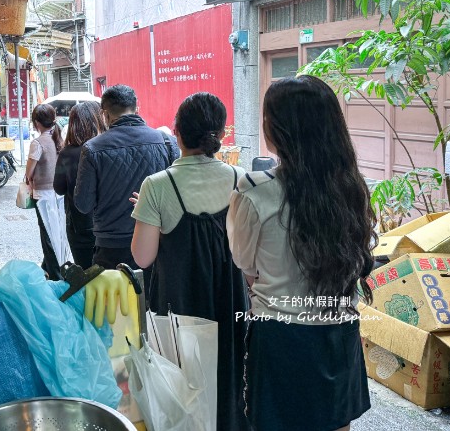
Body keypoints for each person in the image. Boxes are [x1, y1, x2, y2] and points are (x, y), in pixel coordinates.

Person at [227, 76, 373, 431]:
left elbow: (246, 267)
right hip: (338, 330)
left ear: (276, 129)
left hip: (280, 337)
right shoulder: (351, 185)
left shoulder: (253, 190)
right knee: (336, 424)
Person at [131, 93, 249, 431]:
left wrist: (146, 215)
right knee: (229, 377)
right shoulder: (240, 178)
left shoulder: (156, 186)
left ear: (177, 133)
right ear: (220, 135)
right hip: (231, 303)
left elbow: (142, 256)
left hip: (179, 307)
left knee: (183, 391)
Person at [74, 85, 179, 288]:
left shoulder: (93, 148)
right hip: (157, 243)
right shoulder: (166, 142)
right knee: (154, 312)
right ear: (136, 107)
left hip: (111, 247)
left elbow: (84, 204)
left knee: (113, 313)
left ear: (104, 114)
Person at [53, 102, 105, 270]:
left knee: (86, 277)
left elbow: (59, 188)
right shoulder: (106, 148)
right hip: (108, 226)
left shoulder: (67, 153)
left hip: (79, 226)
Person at [25, 104, 64, 280]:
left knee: (47, 234)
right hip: (59, 193)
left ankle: (56, 275)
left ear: (36, 123)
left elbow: (28, 173)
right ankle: (47, 269)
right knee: (56, 232)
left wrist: (28, 178)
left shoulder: (37, 143)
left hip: (43, 194)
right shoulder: (59, 138)